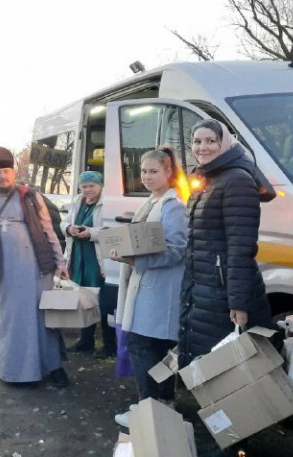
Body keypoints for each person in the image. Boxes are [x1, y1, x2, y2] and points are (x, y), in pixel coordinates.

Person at [0, 147, 70, 387]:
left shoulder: (30, 196)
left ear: (13, 172)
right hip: (4, 273)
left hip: (37, 269)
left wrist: (60, 262)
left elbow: (48, 230)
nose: (2, 177)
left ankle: (53, 368)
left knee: (43, 319)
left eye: (6, 171)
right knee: (11, 321)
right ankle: (17, 373)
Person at [179, 119, 273, 368]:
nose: (203, 147)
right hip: (205, 288)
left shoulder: (236, 180)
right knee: (211, 364)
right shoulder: (208, 180)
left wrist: (239, 303)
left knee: (232, 368)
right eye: (197, 142)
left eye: (211, 140)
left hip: (223, 293)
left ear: (225, 144)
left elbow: (241, 248)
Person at [111, 147, 187, 427]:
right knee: (160, 349)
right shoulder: (152, 202)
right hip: (148, 289)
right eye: (143, 171)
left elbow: (178, 250)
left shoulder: (173, 206)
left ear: (169, 173)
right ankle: (163, 405)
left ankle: (147, 411)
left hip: (159, 291)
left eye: (153, 171)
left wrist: (135, 258)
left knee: (141, 346)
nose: (146, 176)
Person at [60, 171, 105, 353]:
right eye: (84, 186)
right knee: (84, 298)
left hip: (96, 259)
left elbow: (111, 230)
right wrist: (70, 228)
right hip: (78, 258)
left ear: (100, 186)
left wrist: (90, 233)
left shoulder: (106, 203)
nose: (88, 190)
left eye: (91, 186)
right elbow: (63, 223)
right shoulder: (78, 201)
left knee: (100, 299)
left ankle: (108, 344)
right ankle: (86, 341)